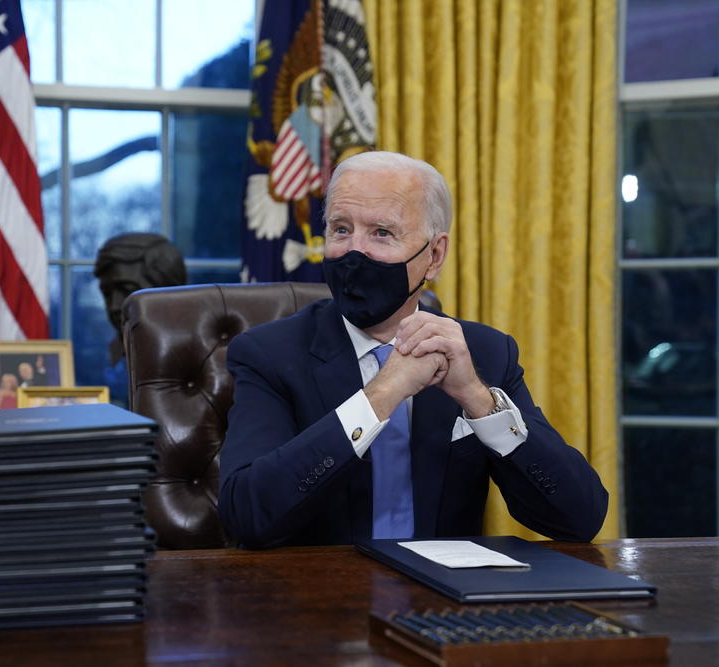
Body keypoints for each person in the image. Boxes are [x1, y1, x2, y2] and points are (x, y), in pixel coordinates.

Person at [219, 151, 608, 548]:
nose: (355, 251)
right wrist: (379, 397)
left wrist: (478, 399)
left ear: (434, 256)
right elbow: (247, 516)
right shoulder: (269, 354)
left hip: (442, 599)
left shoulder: (485, 353)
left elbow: (580, 518)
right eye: (340, 229)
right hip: (321, 597)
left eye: (382, 233)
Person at [94, 233, 187, 365]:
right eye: (107, 294)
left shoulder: (195, 354)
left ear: (167, 291)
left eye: (126, 291)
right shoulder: (112, 352)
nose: (114, 306)